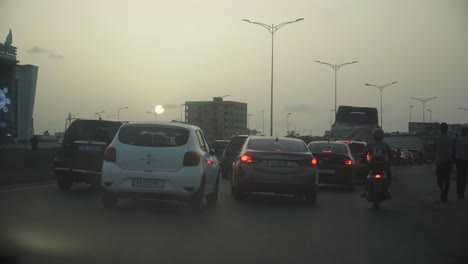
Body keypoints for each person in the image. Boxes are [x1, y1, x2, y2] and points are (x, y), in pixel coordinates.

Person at [361, 128, 393, 197]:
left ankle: (365, 190)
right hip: (383, 166)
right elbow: (390, 156)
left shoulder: (369, 145)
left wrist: (363, 161)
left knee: (364, 174)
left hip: (372, 165)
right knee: (389, 175)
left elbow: (363, 155)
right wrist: (390, 162)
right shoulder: (386, 145)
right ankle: (387, 189)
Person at [433, 122, 456, 203]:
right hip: (448, 162)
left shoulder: (436, 138)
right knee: (447, 180)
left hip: (439, 162)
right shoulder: (451, 138)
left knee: (439, 181)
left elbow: (434, 149)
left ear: (440, 129)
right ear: (447, 129)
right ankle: (445, 194)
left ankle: (442, 191)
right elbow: (453, 150)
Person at [455, 124, 468, 199]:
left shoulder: (458, 137)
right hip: (461, 160)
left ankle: (461, 193)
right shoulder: (458, 137)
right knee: (461, 177)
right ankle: (460, 193)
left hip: (463, 160)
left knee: (462, 177)